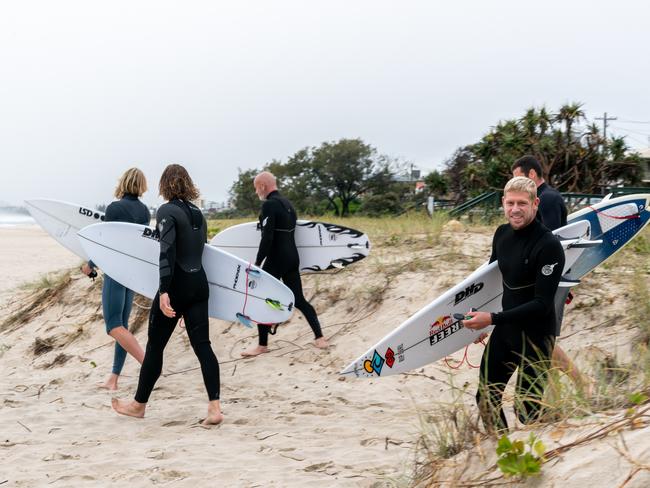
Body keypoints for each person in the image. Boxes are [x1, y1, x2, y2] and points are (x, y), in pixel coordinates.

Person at [112, 164, 223, 425]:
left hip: (176, 287)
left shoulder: (166, 211)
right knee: (203, 346)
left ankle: (139, 406)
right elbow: (198, 251)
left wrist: (165, 291)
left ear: (165, 184)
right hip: (199, 285)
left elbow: (167, 252)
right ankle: (215, 408)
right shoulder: (198, 213)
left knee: (155, 347)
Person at [463, 176, 565, 432]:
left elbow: (542, 304)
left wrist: (492, 319)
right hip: (507, 330)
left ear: (535, 203)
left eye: (522, 203)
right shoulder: (502, 234)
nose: (515, 209)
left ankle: (565, 425)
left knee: (527, 410)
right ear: (503, 203)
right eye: (510, 203)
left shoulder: (549, 246)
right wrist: (481, 319)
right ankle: (501, 449)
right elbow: (492, 282)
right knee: (486, 398)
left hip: (537, 335)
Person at [511, 155, 590, 392]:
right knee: (539, 337)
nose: (515, 185)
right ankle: (557, 391)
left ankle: (580, 383)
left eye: (518, 179)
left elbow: (555, 242)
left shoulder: (548, 199)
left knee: (541, 337)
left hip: (548, 280)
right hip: (541, 280)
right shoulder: (539, 199)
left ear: (532, 175)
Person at [241, 171, 329, 357]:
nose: (256, 191)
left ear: (263, 186)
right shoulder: (288, 204)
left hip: (276, 259)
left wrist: (258, 262)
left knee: (261, 299)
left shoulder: (269, 205)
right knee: (298, 299)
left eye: (256, 187)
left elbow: (268, 237)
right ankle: (320, 338)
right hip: (291, 257)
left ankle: (262, 345)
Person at [81, 168, 149, 390]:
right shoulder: (145, 211)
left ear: (123, 182)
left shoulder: (115, 208)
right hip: (132, 273)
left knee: (113, 326)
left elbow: (106, 242)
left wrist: (90, 265)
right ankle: (113, 378)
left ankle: (150, 367)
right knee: (123, 327)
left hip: (116, 271)